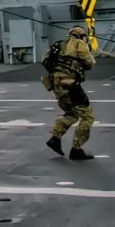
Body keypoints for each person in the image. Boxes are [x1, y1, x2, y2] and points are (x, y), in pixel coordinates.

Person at [43, 24, 96, 161]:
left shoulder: (57, 45)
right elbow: (89, 63)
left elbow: (45, 60)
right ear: (82, 36)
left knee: (71, 114)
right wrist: (89, 52)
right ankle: (76, 150)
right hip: (70, 84)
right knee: (87, 116)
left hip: (56, 85)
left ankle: (55, 138)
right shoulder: (79, 43)